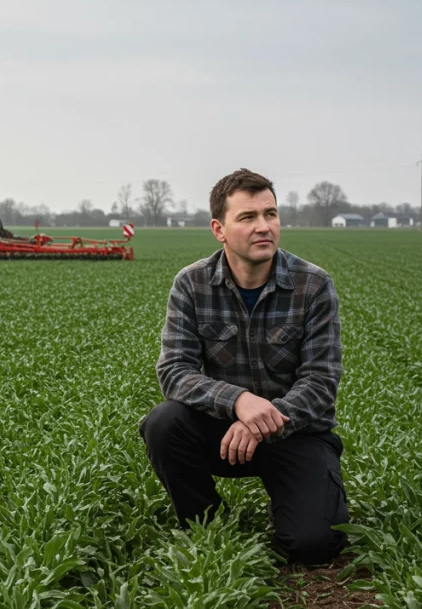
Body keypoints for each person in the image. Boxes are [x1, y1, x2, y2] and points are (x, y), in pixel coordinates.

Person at [139, 168, 349, 565]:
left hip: (296, 432)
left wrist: (263, 418)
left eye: (270, 214)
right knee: (163, 422)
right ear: (219, 229)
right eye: (248, 217)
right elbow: (174, 371)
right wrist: (237, 401)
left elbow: (321, 382)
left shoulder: (314, 286)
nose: (263, 227)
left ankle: (291, 502)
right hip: (221, 433)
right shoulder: (191, 284)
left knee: (314, 545)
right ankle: (205, 520)